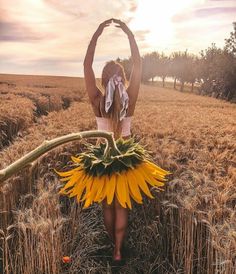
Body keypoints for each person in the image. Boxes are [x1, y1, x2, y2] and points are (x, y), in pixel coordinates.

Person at [83, 18, 142, 261]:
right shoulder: (131, 97)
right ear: (123, 78)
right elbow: (138, 63)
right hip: (126, 158)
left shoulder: (97, 100)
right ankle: (119, 250)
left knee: (108, 205)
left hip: (103, 159)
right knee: (122, 205)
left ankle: (112, 247)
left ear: (103, 80)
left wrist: (96, 34)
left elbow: (87, 65)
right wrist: (130, 35)